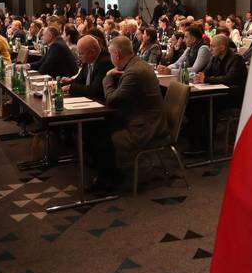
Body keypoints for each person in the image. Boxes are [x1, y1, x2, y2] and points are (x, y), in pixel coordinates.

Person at [98, 37, 171, 193]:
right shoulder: (136, 64)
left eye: (111, 54)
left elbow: (112, 100)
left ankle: (107, 183)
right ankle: (112, 175)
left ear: (117, 55)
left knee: (102, 140)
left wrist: (108, 77)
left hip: (146, 129)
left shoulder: (134, 72)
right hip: (145, 120)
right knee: (101, 130)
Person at [62, 35, 113, 101]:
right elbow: (78, 80)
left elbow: (94, 90)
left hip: (101, 103)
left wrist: (71, 88)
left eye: (81, 53)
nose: (79, 56)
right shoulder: (88, 60)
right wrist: (59, 85)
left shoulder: (105, 63)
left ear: (92, 52)